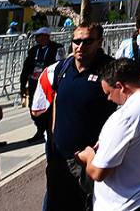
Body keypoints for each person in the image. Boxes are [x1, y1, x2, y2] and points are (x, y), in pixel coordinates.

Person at [32, 23, 117, 211]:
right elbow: (52, 103)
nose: (80, 46)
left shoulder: (110, 70)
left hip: (92, 161)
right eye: (76, 41)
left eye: (87, 41)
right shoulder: (62, 68)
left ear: (99, 42)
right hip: (59, 159)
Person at [75, 59, 140, 211]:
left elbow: (98, 172)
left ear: (120, 87)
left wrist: (88, 156)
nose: (108, 98)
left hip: (128, 202)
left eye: (108, 93)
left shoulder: (125, 117)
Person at [20, 27, 65, 141]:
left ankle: (48, 130)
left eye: (39, 36)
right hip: (34, 82)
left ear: (46, 36)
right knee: (33, 106)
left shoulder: (57, 48)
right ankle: (40, 129)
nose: (37, 39)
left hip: (48, 82)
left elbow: (61, 64)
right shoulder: (34, 50)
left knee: (48, 107)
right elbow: (26, 67)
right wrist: (23, 83)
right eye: (36, 36)